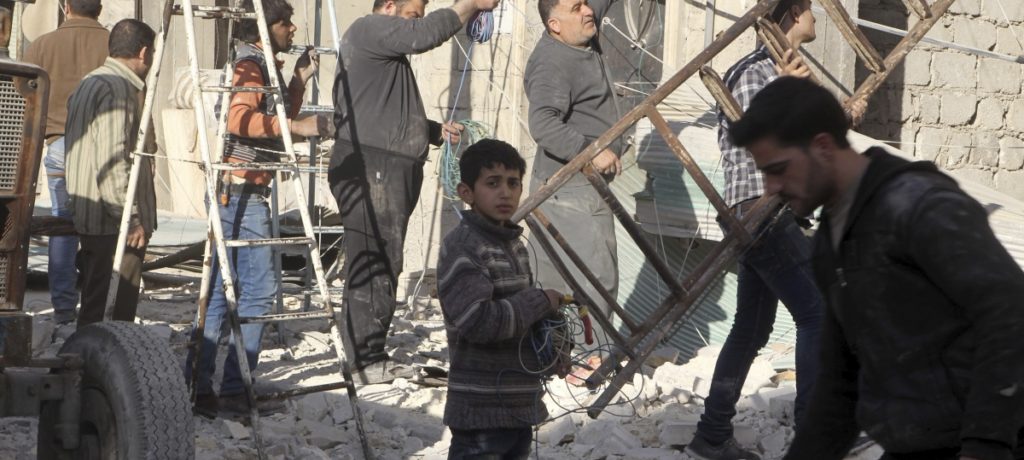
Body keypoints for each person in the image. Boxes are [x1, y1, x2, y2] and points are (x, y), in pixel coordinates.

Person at [730, 76, 1024, 460]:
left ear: (822, 146)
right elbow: (840, 384)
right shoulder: (831, 240)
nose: (771, 187)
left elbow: (1010, 312)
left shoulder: (917, 204)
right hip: (919, 445)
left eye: (779, 169)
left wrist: (986, 445)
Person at [685, 1, 834, 458]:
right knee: (819, 313)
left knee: (751, 328)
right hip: (761, 209)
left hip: (760, 211)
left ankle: (712, 434)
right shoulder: (756, 72)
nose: (817, 17)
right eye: (811, 8)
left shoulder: (778, 70)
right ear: (794, 12)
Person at [329, 0, 499, 384]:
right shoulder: (370, 28)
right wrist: (471, 4)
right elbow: (423, 36)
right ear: (389, 6)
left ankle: (363, 355)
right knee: (376, 261)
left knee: (381, 259)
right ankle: (365, 361)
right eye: (413, 13)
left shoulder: (379, 49)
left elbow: (383, 109)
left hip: (383, 165)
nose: (417, 22)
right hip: (374, 167)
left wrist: (434, 131)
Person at [184, 0, 326, 418]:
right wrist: (297, 126)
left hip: (235, 189)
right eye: (286, 22)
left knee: (217, 292)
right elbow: (239, 120)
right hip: (242, 192)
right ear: (266, 26)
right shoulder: (250, 64)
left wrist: (297, 81)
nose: (293, 29)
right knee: (260, 290)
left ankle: (198, 386)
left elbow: (272, 118)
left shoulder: (259, 64)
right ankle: (233, 388)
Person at [438, 139, 564, 460]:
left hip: (518, 409)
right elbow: (479, 322)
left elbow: (523, 322)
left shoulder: (514, 246)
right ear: (467, 192)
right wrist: (541, 301)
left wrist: (554, 348)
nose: (505, 193)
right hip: (481, 414)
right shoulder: (465, 246)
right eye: (492, 183)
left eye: (513, 183)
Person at [524, 0, 620, 378]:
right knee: (595, 276)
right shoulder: (552, 61)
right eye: (576, 7)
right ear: (555, 25)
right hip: (571, 187)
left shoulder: (580, 35)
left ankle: (553, 359)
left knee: (553, 282)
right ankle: (590, 359)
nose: (587, 11)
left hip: (561, 187)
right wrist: (591, 150)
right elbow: (543, 124)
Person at [65, 19, 155, 328]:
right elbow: (112, 162)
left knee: (95, 305)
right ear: (144, 52)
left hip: (94, 216)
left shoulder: (91, 80)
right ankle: (92, 361)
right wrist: (131, 219)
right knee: (113, 316)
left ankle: (84, 356)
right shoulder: (117, 89)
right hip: (112, 224)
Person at [23, 0, 109, 326]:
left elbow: (23, 101)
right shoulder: (113, 44)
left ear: (65, 6)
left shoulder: (41, 46)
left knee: (62, 227)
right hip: (102, 147)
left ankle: (62, 311)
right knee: (102, 230)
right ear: (100, 8)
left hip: (58, 145)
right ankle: (96, 311)